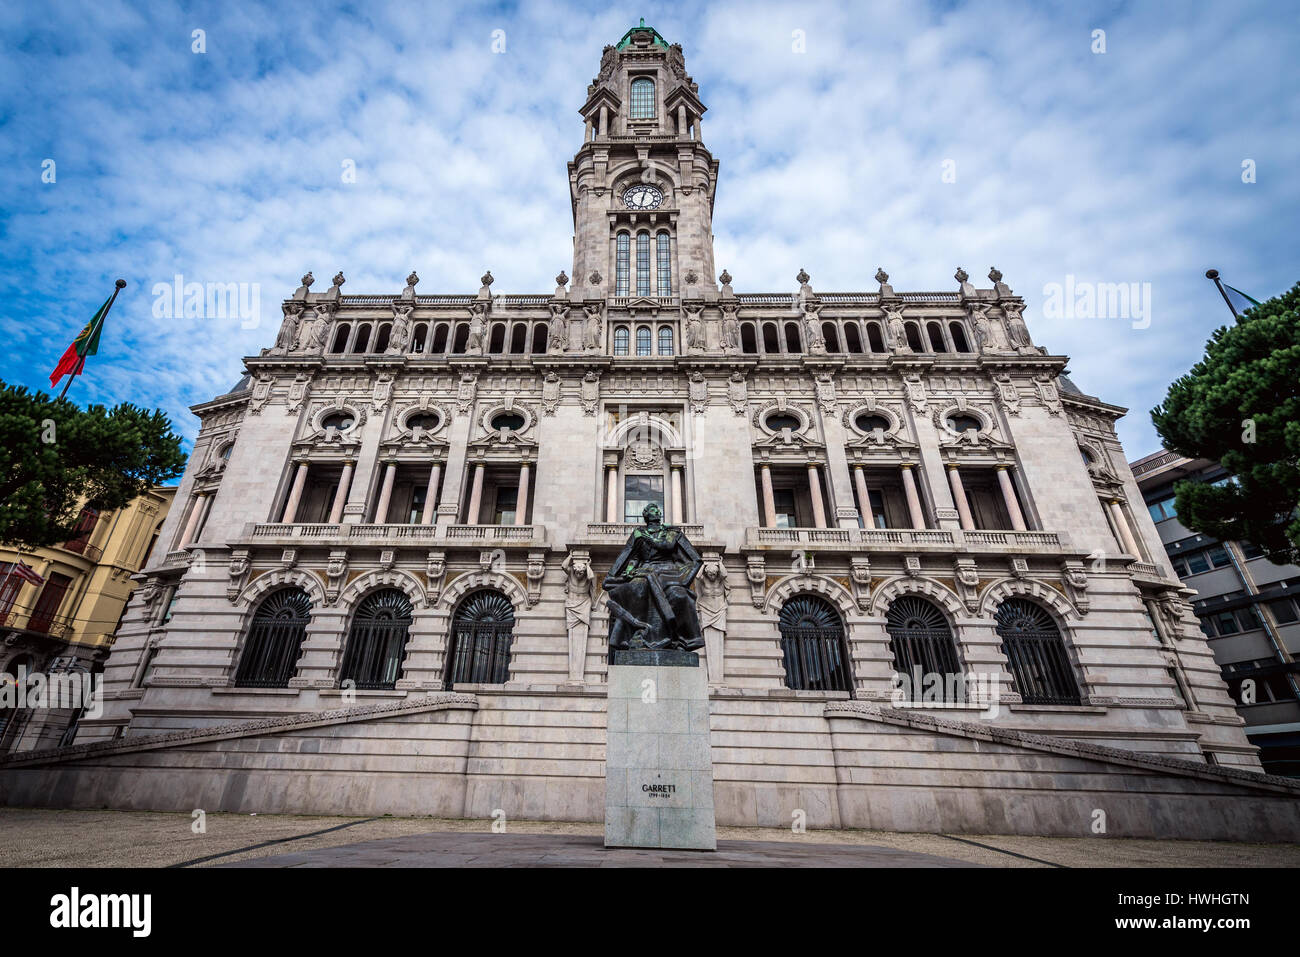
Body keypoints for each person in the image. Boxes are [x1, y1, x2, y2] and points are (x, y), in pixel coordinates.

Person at [603, 503, 704, 652]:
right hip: (646, 569)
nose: (656, 511)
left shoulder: (671, 532)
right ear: (646, 515)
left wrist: (647, 538)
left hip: (669, 572)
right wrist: (629, 570)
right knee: (637, 586)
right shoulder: (638, 534)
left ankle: (677, 639)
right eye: (652, 510)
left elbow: (668, 545)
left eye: (657, 509)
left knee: (679, 595)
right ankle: (641, 633)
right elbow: (633, 556)